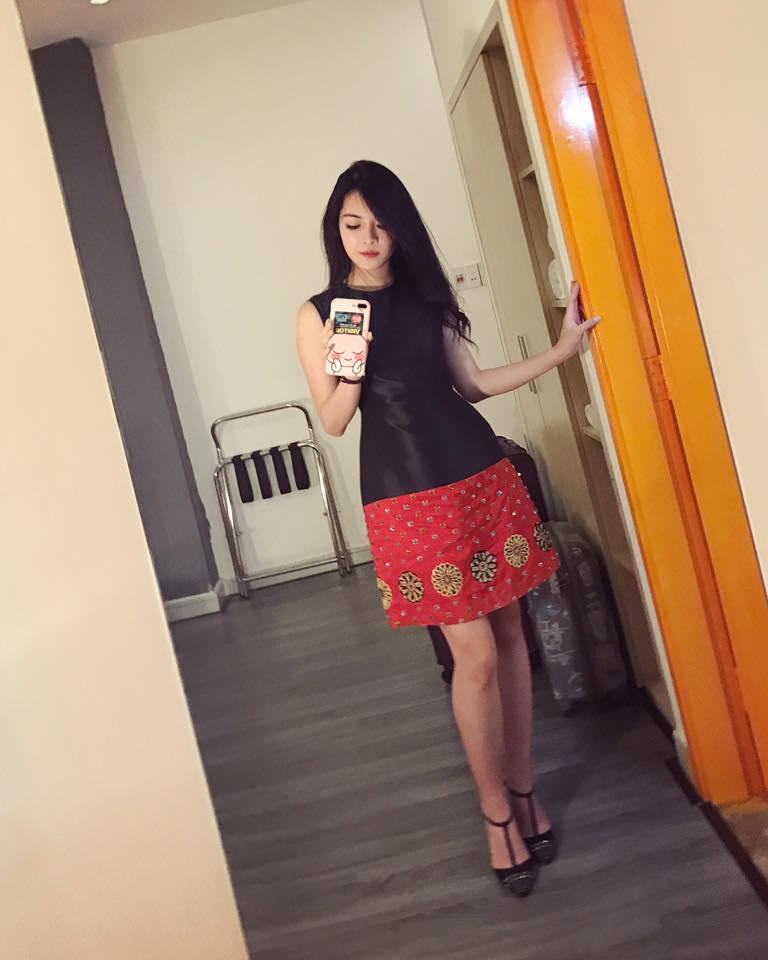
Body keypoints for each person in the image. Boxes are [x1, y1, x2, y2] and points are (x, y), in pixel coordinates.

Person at [297, 160, 599, 898]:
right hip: (405, 497)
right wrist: (352, 355)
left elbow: (470, 386)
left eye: (380, 223)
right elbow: (333, 420)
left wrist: (560, 352)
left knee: (510, 639)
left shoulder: (426, 296)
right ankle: (496, 813)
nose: (368, 237)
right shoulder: (324, 311)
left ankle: (524, 790)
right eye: (353, 224)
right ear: (337, 231)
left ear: (401, 228)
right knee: (476, 655)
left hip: (478, 474)